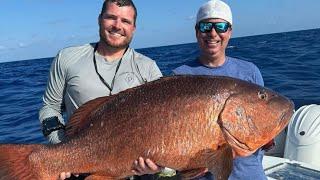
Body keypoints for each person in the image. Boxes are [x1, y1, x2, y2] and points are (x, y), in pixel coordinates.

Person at [133, 0, 273, 179]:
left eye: (221, 26)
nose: (213, 33)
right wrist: (154, 165)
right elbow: (166, 139)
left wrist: (268, 138)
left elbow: (263, 128)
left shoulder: (250, 72)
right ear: (197, 31)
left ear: (229, 31)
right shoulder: (180, 76)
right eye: (206, 26)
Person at [39, 0, 162, 179]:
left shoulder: (148, 68)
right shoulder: (67, 58)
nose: (117, 26)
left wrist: (156, 165)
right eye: (111, 17)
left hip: (133, 173)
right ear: (99, 20)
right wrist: (61, 147)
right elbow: (49, 106)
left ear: (134, 28)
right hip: (79, 168)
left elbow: (162, 125)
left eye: (126, 21)